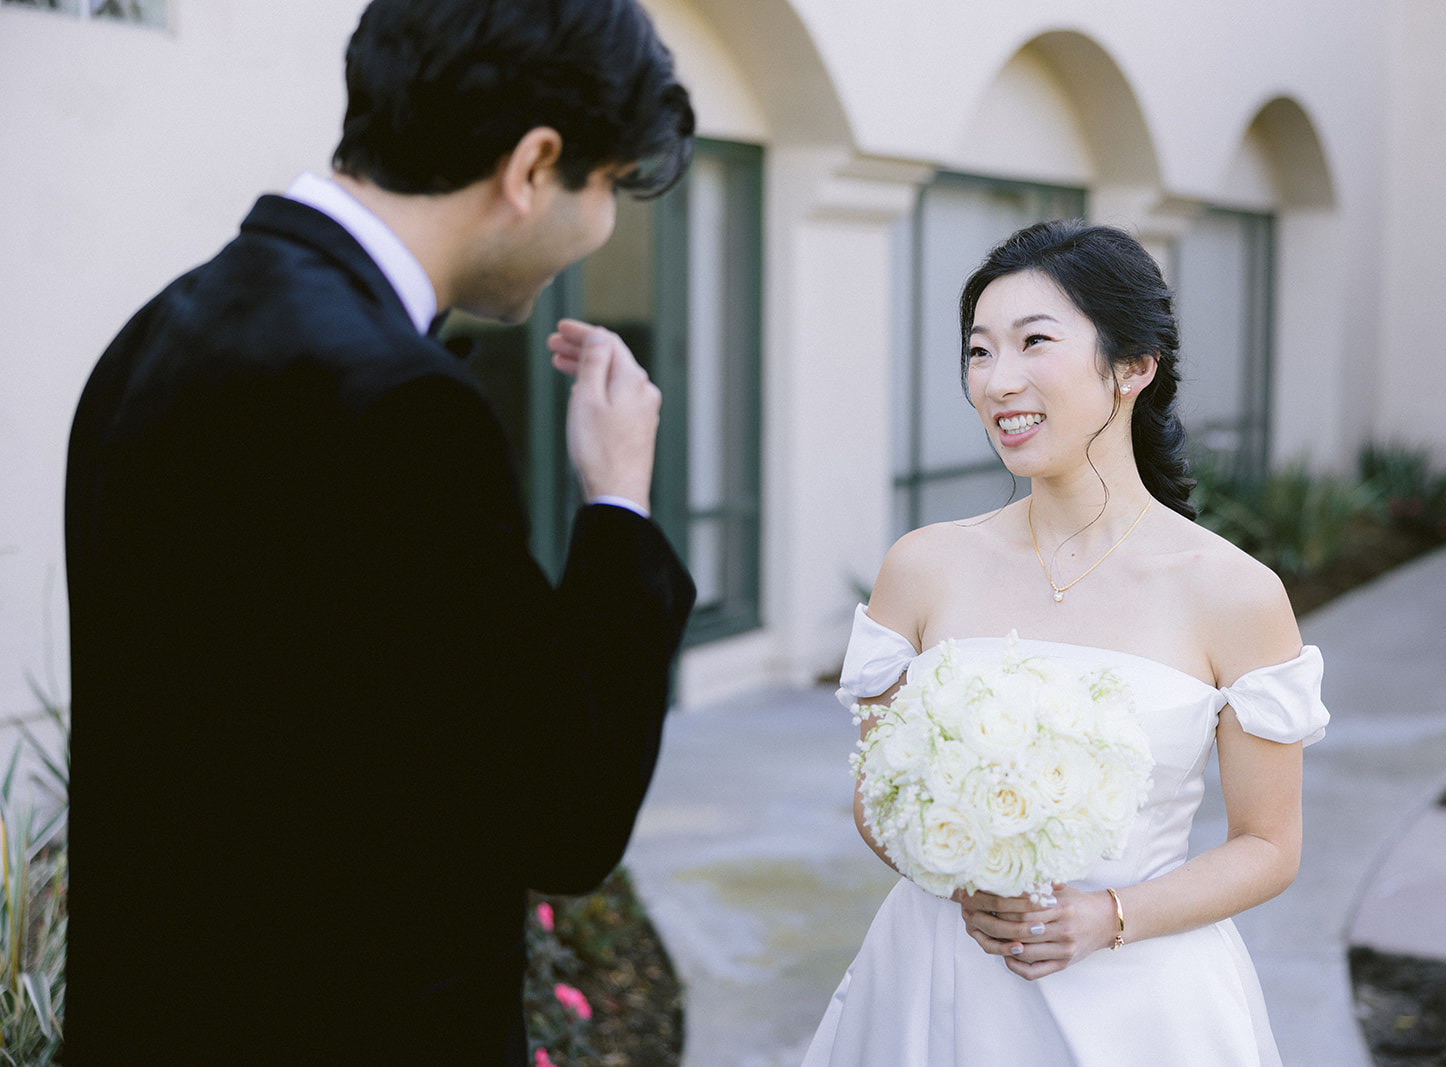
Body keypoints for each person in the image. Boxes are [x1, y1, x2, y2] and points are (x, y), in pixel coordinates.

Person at [63, 1, 696, 1062]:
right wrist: (617, 504)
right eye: (608, 190)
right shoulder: (402, 407)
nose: (603, 230)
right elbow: (564, 815)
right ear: (533, 165)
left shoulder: (163, 324)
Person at [802, 220, 1329, 1066]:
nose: (997, 380)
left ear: (1133, 366)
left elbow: (1268, 844)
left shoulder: (1232, 593)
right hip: (936, 972)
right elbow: (877, 795)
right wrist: (955, 866)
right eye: (979, 351)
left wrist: (1109, 915)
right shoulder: (922, 567)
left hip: (1139, 1002)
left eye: (1033, 342)